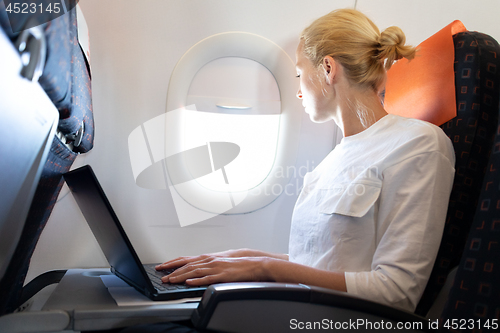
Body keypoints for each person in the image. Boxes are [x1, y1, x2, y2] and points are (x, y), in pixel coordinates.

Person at [155, 8, 455, 314]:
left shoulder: (418, 144)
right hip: (299, 313)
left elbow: (396, 293)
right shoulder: (333, 160)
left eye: (299, 74)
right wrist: (244, 258)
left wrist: (265, 269)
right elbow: (319, 266)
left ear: (328, 68)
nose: (298, 92)